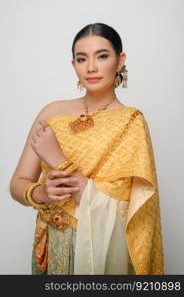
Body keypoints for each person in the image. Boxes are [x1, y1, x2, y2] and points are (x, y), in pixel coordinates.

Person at [9, 22, 164, 275]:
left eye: (102, 56)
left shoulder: (131, 122)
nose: (91, 67)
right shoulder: (51, 112)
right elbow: (18, 183)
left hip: (94, 252)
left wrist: (57, 157)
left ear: (120, 60)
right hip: (49, 246)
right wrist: (41, 194)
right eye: (82, 59)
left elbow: (121, 213)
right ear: (73, 65)